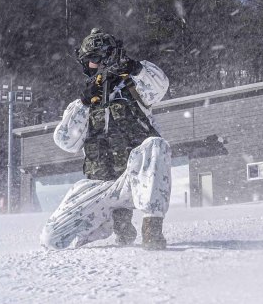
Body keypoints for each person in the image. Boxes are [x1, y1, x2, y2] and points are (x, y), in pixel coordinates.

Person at [40, 28, 171, 250]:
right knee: (52, 239)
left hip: (134, 181)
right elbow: (66, 142)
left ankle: (152, 228)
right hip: (98, 185)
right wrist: (85, 103)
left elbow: (160, 87)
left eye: (104, 57)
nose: (99, 64)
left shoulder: (135, 87)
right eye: (92, 60)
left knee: (156, 145)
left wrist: (134, 68)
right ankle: (116, 222)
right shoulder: (81, 104)